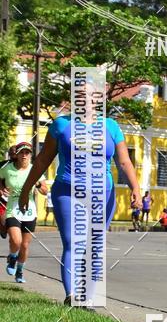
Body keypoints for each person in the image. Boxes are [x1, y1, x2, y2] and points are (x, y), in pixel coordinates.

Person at [19, 110, 141, 304]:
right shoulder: (61, 125)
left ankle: (88, 298)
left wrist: (135, 188)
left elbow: (124, 161)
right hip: (68, 191)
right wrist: (26, 190)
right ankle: (71, 295)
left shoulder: (111, 126)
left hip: (103, 194)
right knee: (73, 242)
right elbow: (43, 159)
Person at [1, 142, 48, 283]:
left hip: (29, 210)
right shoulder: (7, 169)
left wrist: (37, 183)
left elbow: (45, 190)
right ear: (17, 154)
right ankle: (12, 257)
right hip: (12, 209)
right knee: (16, 240)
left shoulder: (36, 170)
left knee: (25, 245)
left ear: (30, 155)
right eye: (22, 152)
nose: (24, 155)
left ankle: (20, 270)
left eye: (27, 153)